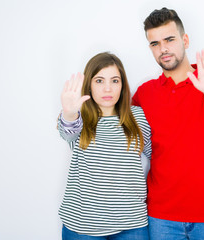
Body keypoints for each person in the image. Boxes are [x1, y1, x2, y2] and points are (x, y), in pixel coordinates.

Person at [132, 8, 204, 240]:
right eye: (155, 43)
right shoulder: (144, 94)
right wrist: (68, 118)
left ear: (185, 40)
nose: (163, 49)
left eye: (169, 39)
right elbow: (120, 127)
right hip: (162, 215)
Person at [57, 52, 151, 240]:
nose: (108, 88)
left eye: (115, 81)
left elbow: (160, 155)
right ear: (89, 86)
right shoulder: (79, 117)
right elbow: (67, 131)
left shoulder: (137, 117)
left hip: (132, 224)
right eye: (99, 81)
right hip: (83, 225)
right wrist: (68, 113)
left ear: (122, 85)